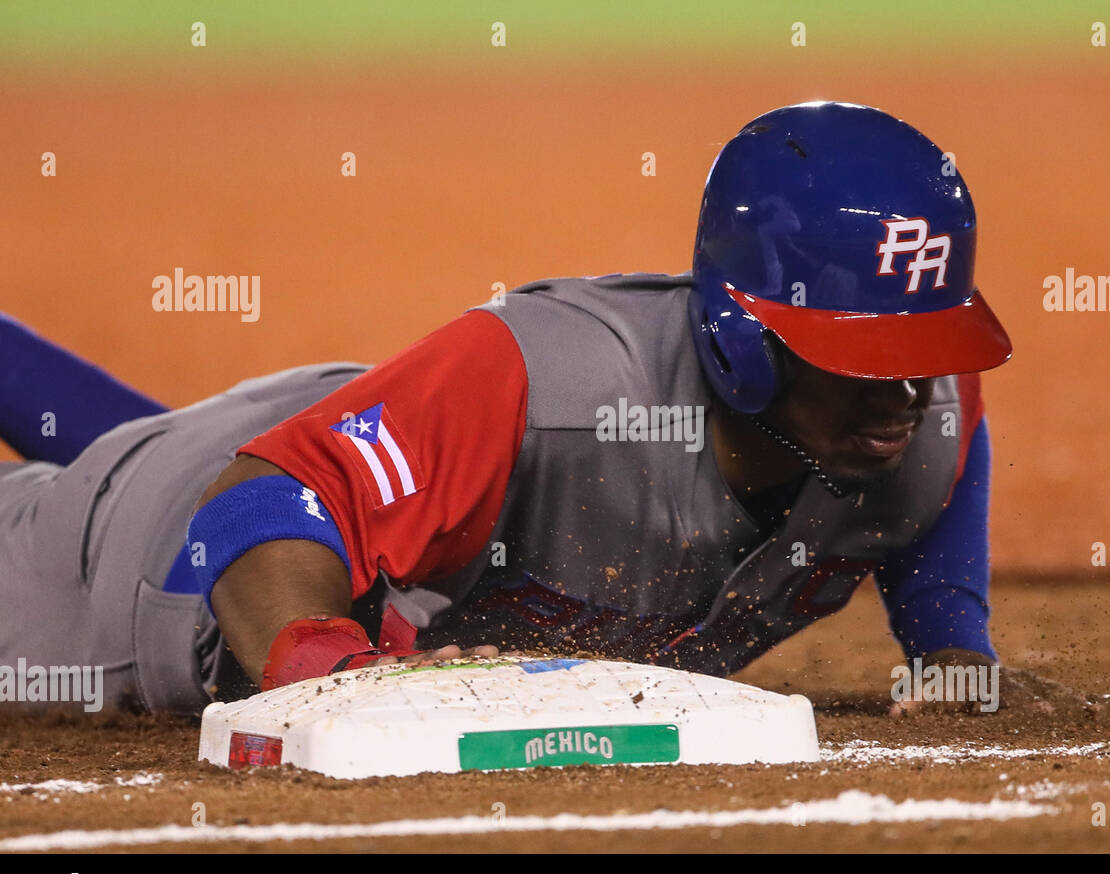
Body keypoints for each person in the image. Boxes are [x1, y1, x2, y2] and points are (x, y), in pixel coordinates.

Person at [0, 101, 1012, 715]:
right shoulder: (549, 381)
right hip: (167, 556)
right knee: (127, 481)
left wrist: (950, 642)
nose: (906, 392)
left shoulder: (919, 419)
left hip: (387, 449)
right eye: (862, 357)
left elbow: (942, 458)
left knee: (180, 446)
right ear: (739, 335)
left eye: (922, 352)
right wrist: (332, 675)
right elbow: (253, 506)